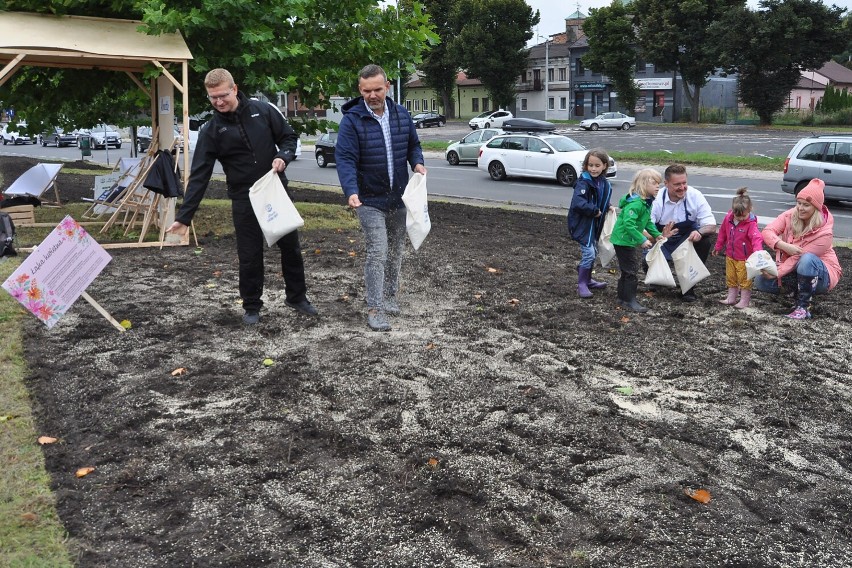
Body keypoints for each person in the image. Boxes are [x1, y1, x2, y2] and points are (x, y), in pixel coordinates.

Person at [166, 68, 317, 325]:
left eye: (223, 95)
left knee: (290, 247)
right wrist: (184, 216)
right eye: (212, 97)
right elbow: (200, 176)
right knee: (249, 254)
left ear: (234, 89)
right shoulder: (211, 130)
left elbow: (289, 138)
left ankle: (297, 296)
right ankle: (251, 306)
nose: (218, 102)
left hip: (274, 191)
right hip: (243, 197)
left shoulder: (264, 111)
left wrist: (284, 156)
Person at [335, 64, 426, 332]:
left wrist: (417, 163)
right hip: (368, 200)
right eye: (366, 91)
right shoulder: (352, 121)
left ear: (387, 86)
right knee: (378, 251)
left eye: (377, 89)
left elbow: (414, 145)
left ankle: (390, 297)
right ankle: (374, 309)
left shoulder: (401, 114)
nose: (372, 95)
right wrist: (351, 191)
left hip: (399, 197)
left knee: (396, 250)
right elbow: (345, 159)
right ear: (360, 90)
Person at [755, 178, 842, 319]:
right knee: (761, 281)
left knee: (806, 259)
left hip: (822, 276)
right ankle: (798, 290)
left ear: (816, 207)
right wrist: (783, 245)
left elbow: (798, 257)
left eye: (806, 205)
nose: (800, 208)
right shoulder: (790, 214)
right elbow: (767, 231)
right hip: (796, 268)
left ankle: (803, 307)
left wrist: (777, 272)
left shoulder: (825, 233)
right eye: (798, 203)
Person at [611, 169, 676, 313]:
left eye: (658, 183)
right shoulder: (636, 203)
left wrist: (656, 234)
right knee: (631, 270)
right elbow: (629, 224)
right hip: (623, 240)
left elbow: (647, 222)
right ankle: (629, 300)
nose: (658, 187)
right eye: (654, 183)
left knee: (627, 270)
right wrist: (641, 239)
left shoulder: (646, 202)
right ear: (642, 185)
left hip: (626, 239)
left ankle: (622, 298)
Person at [650, 164, 717, 301]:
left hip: (686, 240)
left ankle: (688, 287)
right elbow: (645, 228)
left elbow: (711, 225)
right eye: (677, 184)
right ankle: (656, 278)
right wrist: (660, 236)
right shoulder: (656, 199)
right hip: (662, 238)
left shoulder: (695, 195)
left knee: (704, 242)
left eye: (684, 183)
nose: (682, 188)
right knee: (649, 262)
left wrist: (699, 232)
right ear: (666, 183)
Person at [567, 148, 614, 298]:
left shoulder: (603, 183)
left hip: (594, 226)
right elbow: (578, 203)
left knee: (592, 252)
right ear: (586, 165)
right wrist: (595, 211)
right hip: (583, 225)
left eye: (597, 165)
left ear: (604, 166)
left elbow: (600, 199)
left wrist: (608, 206)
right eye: (590, 165)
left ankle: (588, 279)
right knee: (589, 253)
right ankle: (581, 283)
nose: (593, 169)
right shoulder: (584, 183)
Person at [712, 187, 764, 309]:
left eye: (743, 216)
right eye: (737, 216)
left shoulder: (751, 224)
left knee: (744, 279)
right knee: (731, 276)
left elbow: (756, 238)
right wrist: (718, 246)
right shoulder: (728, 219)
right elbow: (723, 233)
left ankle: (744, 300)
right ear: (733, 211)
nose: (740, 218)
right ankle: (731, 297)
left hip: (744, 258)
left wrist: (758, 252)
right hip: (730, 255)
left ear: (750, 210)